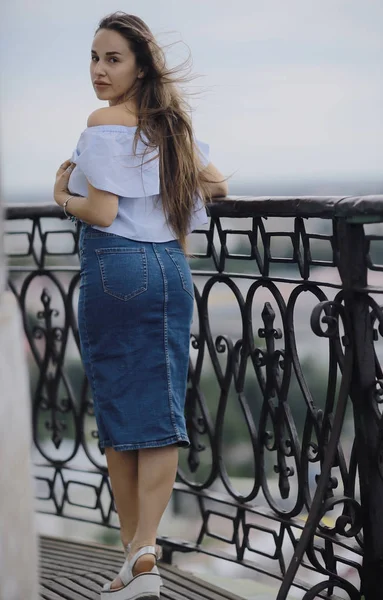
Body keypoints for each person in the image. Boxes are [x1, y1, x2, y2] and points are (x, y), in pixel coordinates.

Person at [53, 11, 228, 600]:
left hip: (118, 267)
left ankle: (141, 551)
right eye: (95, 59)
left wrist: (61, 196)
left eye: (113, 59)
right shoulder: (171, 127)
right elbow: (219, 184)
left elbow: (101, 212)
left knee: (121, 417)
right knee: (157, 415)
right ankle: (138, 561)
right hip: (170, 271)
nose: (99, 72)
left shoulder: (104, 122)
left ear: (140, 66)